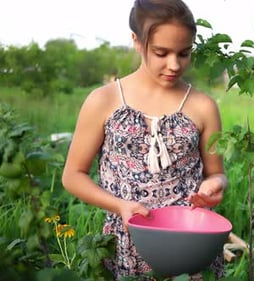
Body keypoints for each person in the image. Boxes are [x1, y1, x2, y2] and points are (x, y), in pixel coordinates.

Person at [61, 0, 228, 280]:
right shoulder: (104, 100)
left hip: (190, 243)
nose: (174, 65)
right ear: (137, 41)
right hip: (127, 238)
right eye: (161, 53)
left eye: (184, 53)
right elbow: (72, 176)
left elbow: (217, 173)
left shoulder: (203, 106)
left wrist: (214, 185)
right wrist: (120, 206)